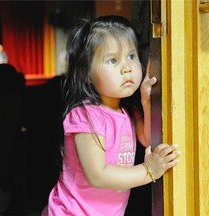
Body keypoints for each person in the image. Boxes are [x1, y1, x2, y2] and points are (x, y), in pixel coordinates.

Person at [42, 15, 181, 216]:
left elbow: (148, 138)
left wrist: (146, 102)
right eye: (113, 60)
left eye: (131, 56)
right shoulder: (85, 115)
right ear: (86, 73)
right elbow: (98, 174)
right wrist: (149, 170)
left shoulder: (127, 111)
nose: (126, 68)